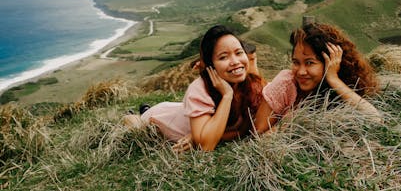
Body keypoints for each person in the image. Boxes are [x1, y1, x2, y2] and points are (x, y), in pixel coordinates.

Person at [123, 25, 265, 151]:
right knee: (137, 124)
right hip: (161, 120)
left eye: (239, 53)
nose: (235, 62)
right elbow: (206, 145)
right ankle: (136, 114)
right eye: (223, 57)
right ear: (211, 65)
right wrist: (227, 95)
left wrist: (196, 135)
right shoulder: (199, 89)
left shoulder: (248, 83)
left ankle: (145, 109)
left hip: (178, 110)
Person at [254, 23, 382, 133]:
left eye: (310, 63)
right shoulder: (286, 83)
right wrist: (290, 123)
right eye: (296, 62)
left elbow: (374, 119)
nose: (301, 72)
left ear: (330, 62)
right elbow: (259, 135)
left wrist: (333, 78)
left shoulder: (340, 86)